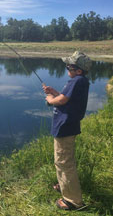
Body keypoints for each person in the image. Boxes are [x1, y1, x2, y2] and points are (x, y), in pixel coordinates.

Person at [43, 51, 92, 211]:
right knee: (64, 159)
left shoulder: (75, 81)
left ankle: (73, 201)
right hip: (69, 125)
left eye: (69, 66)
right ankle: (65, 185)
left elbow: (62, 100)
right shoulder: (81, 81)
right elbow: (65, 98)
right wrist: (54, 93)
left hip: (65, 127)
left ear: (78, 70)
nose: (67, 68)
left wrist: (50, 100)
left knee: (63, 162)